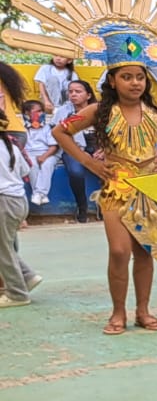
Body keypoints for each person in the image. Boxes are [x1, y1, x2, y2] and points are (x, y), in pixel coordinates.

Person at [51, 55, 157, 333]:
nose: (135, 83)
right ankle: (118, 312)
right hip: (116, 188)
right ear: (112, 81)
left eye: (139, 77)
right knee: (119, 251)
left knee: (145, 252)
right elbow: (61, 131)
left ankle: (143, 312)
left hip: (149, 189)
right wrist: (88, 162)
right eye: (127, 77)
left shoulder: (155, 110)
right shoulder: (99, 110)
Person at [0, 66, 43, 307]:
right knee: (4, 239)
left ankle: (15, 288)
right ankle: (23, 276)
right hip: (12, 132)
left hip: (5, 197)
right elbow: (26, 171)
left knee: (3, 244)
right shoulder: (6, 73)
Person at [52, 78, 98, 222]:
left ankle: (105, 203)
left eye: (78, 91)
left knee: (112, 168)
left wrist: (103, 149)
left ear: (88, 95)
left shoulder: (98, 110)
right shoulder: (62, 112)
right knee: (76, 172)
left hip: (97, 147)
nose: (73, 94)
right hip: (73, 148)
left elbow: (109, 133)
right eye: (70, 92)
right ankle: (82, 206)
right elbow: (57, 134)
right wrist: (79, 151)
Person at [21, 100, 59, 207]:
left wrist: (44, 156)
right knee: (32, 166)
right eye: (37, 111)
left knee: (47, 165)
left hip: (48, 153)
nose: (40, 113)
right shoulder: (23, 129)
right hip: (30, 154)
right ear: (27, 113)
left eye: (41, 111)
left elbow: (54, 147)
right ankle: (41, 195)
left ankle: (38, 193)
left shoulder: (47, 128)